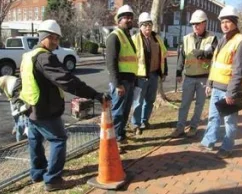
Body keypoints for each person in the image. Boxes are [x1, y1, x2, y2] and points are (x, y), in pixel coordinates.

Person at [19, 19, 109, 192]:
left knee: (35, 140)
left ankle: (37, 173)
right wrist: (94, 94)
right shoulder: (44, 57)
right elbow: (67, 81)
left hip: (31, 109)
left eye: (57, 38)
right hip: (45, 110)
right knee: (58, 139)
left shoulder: (28, 55)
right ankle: (52, 179)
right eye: (52, 38)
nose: (56, 42)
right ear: (43, 37)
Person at [200, 6, 242, 158]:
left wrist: (232, 92)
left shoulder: (241, 42)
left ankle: (227, 147)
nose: (224, 25)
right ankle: (209, 141)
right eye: (222, 22)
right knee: (213, 117)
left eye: (228, 21)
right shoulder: (223, 39)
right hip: (216, 87)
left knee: (230, 122)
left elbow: (239, 71)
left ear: (235, 22)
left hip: (229, 90)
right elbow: (215, 64)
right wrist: (210, 83)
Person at [172, 10, 217, 138]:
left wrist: (202, 53)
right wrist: (178, 73)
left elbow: (213, 53)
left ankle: (193, 127)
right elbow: (181, 57)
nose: (195, 26)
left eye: (198, 23)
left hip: (204, 78)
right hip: (189, 77)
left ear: (205, 23)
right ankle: (180, 127)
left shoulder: (212, 38)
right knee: (184, 104)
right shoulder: (186, 39)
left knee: (199, 105)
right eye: (193, 24)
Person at [131, 12, 168, 135]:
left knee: (150, 100)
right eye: (145, 25)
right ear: (140, 26)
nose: (148, 28)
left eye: (149, 25)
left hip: (154, 75)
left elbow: (163, 55)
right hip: (140, 77)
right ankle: (136, 124)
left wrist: (164, 72)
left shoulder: (157, 38)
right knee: (138, 102)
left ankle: (144, 121)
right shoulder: (135, 39)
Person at [106, 4, 137, 148]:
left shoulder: (128, 36)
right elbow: (111, 63)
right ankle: (114, 141)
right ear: (119, 20)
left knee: (125, 111)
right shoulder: (115, 37)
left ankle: (120, 135)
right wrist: (117, 84)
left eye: (130, 17)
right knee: (117, 112)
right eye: (126, 17)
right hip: (120, 82)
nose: (129, 19)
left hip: (129, 80)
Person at [0, 75, 29, 142]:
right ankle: (18, 128)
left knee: (20, 118)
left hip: (19, 98)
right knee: (16, 115)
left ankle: (20, 137)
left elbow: (17, 102)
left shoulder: (11, 87)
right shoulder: (3, 83)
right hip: (16, 96)